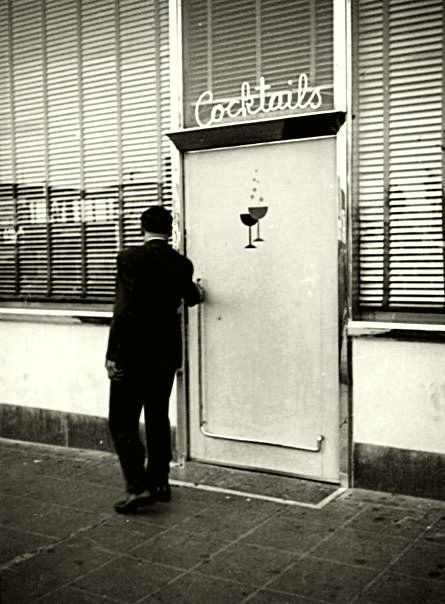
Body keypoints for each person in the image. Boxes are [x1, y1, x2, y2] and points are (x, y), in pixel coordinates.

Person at [105, 205, 203, 514]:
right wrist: (197, 289)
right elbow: (191, 298)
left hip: (132, 354)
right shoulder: (181, 263)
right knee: (157, 416)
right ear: (169, 229)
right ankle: (160, 482)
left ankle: (138, 487)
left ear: (141, 228)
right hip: (164, 354)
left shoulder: (129, 259)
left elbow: (122, 310)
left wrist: (112, 354)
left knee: (122, 420)